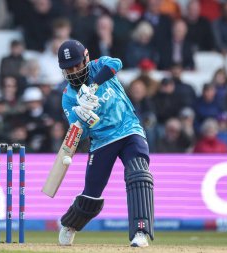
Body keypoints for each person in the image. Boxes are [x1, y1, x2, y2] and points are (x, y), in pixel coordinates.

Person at [56, 40, 154, 247]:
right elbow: (79, 136)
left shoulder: (99, 66)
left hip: (129, 129)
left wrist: (92, 87)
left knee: (138, 173)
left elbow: (116, 64)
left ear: (86, 58)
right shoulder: (68, 97)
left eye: (77, 65)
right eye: (68, 69)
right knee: (91, 195)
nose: (74, 72)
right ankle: (69, 225)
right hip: (101, 141)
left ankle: (140, 231)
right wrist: (82, 117)